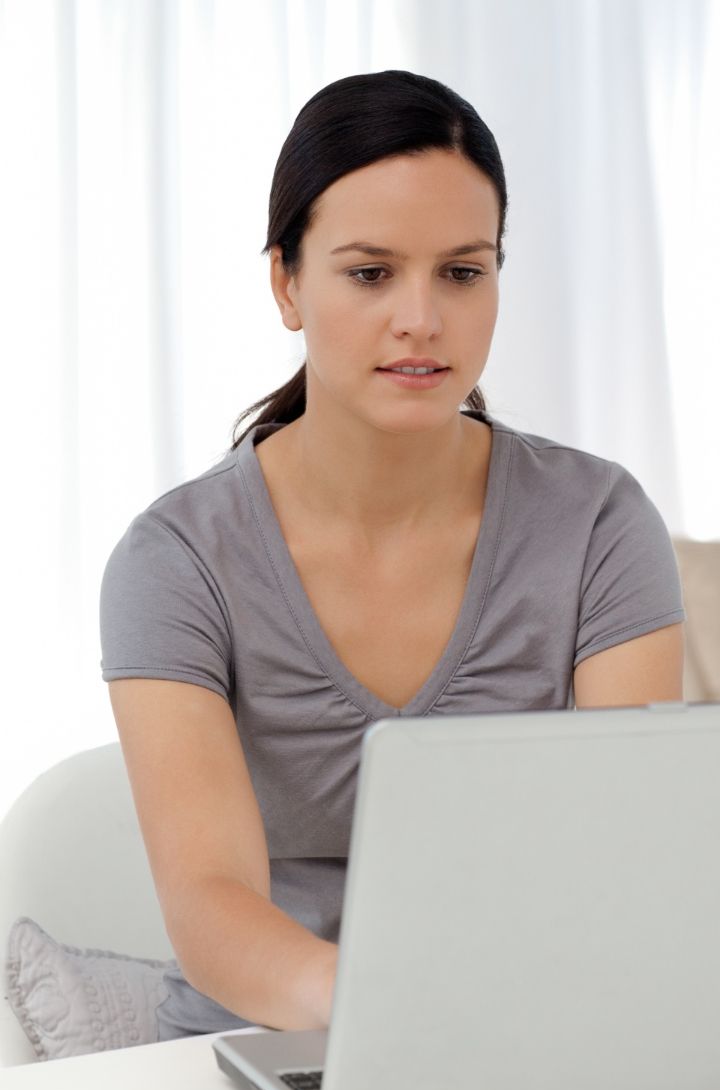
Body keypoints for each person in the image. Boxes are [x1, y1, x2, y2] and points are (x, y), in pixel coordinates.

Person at [99, 71, 684, 1041]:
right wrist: (400, 1013)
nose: (422, 318)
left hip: (531, 1032)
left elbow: (624, 854)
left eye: (463, 272)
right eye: (371, 274)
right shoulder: (176, 559)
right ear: (287, 283)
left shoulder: (599, 524)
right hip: (266, 1041)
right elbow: (208, 901)